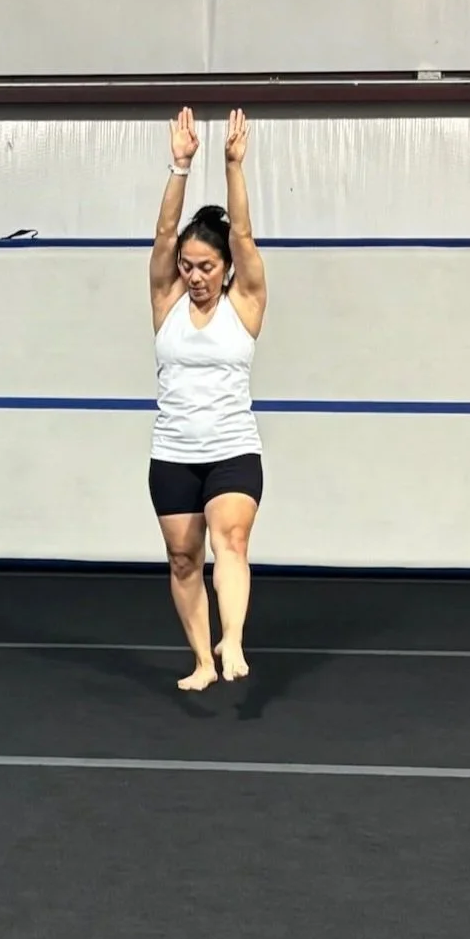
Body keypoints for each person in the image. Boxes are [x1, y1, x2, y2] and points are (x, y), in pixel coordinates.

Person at [147, 108, 267, 692]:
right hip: (172, 453)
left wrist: (231, 166)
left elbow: (242, 235)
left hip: (232, 449)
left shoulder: (243, 303)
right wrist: (181, 165)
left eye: (206, 267)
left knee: (232, 540)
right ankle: (202, 660)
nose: (195, 275)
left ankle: (234, 641)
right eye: (188, 266)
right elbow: (165, 234)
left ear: (225, 271)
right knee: (184, 560)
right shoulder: (166, 300)